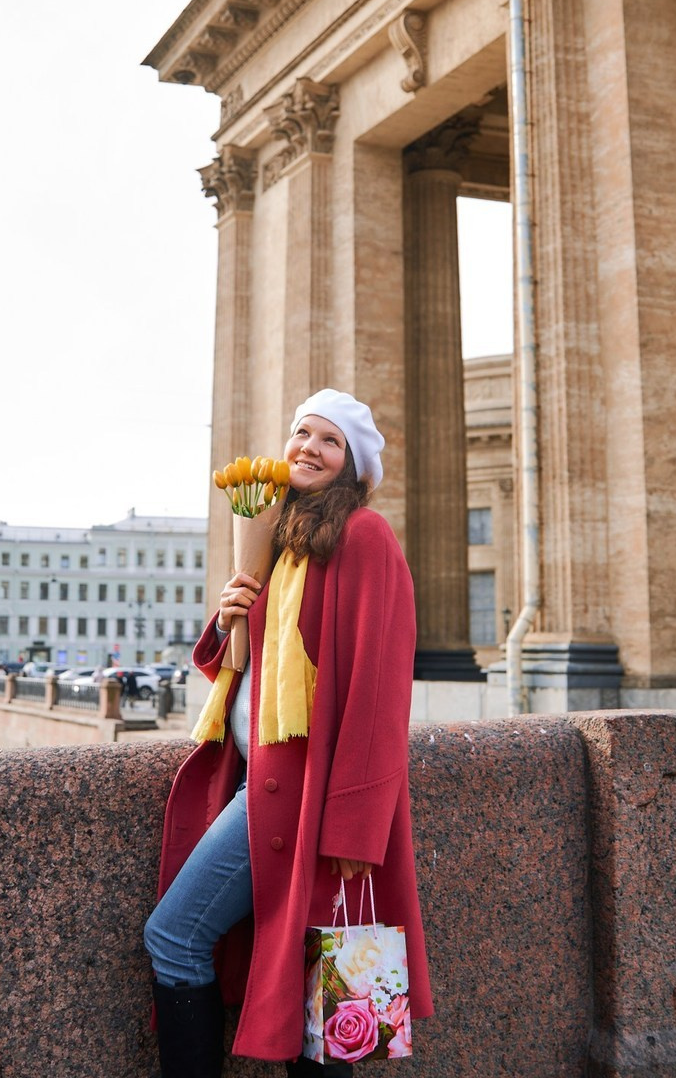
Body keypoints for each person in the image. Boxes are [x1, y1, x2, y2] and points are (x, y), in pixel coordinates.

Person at [144, 389, 432, 1076]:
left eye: (329, 441)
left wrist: (358, 828)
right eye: (302, 432)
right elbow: (242, 669)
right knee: (309, 967)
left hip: (305, 795)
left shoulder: (363, 536)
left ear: (352, 464)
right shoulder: (280, 536)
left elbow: (379, 688)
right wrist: (226, 616)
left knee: (180, 939)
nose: (308, 447)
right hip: (264, 784)